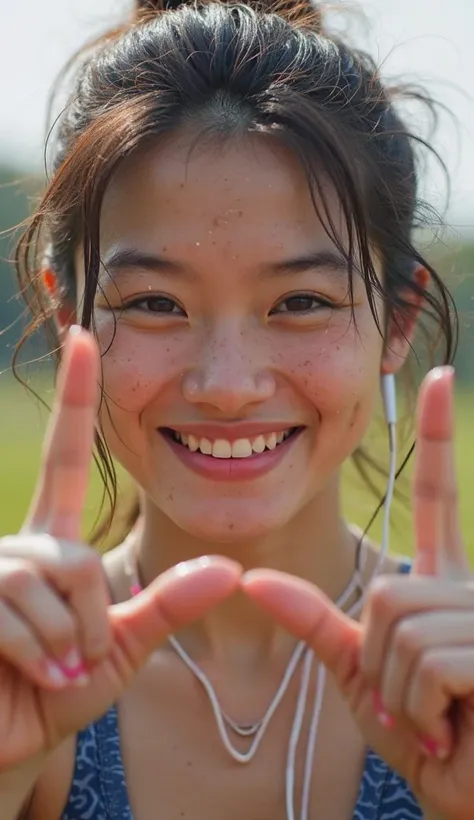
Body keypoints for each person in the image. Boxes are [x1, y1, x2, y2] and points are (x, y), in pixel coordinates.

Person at [1, 0, 473, 817]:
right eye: (154, 302)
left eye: (300, 302)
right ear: (68, 316)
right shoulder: (24, 682)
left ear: (398, 321)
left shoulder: (458, 687)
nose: (227, 384)